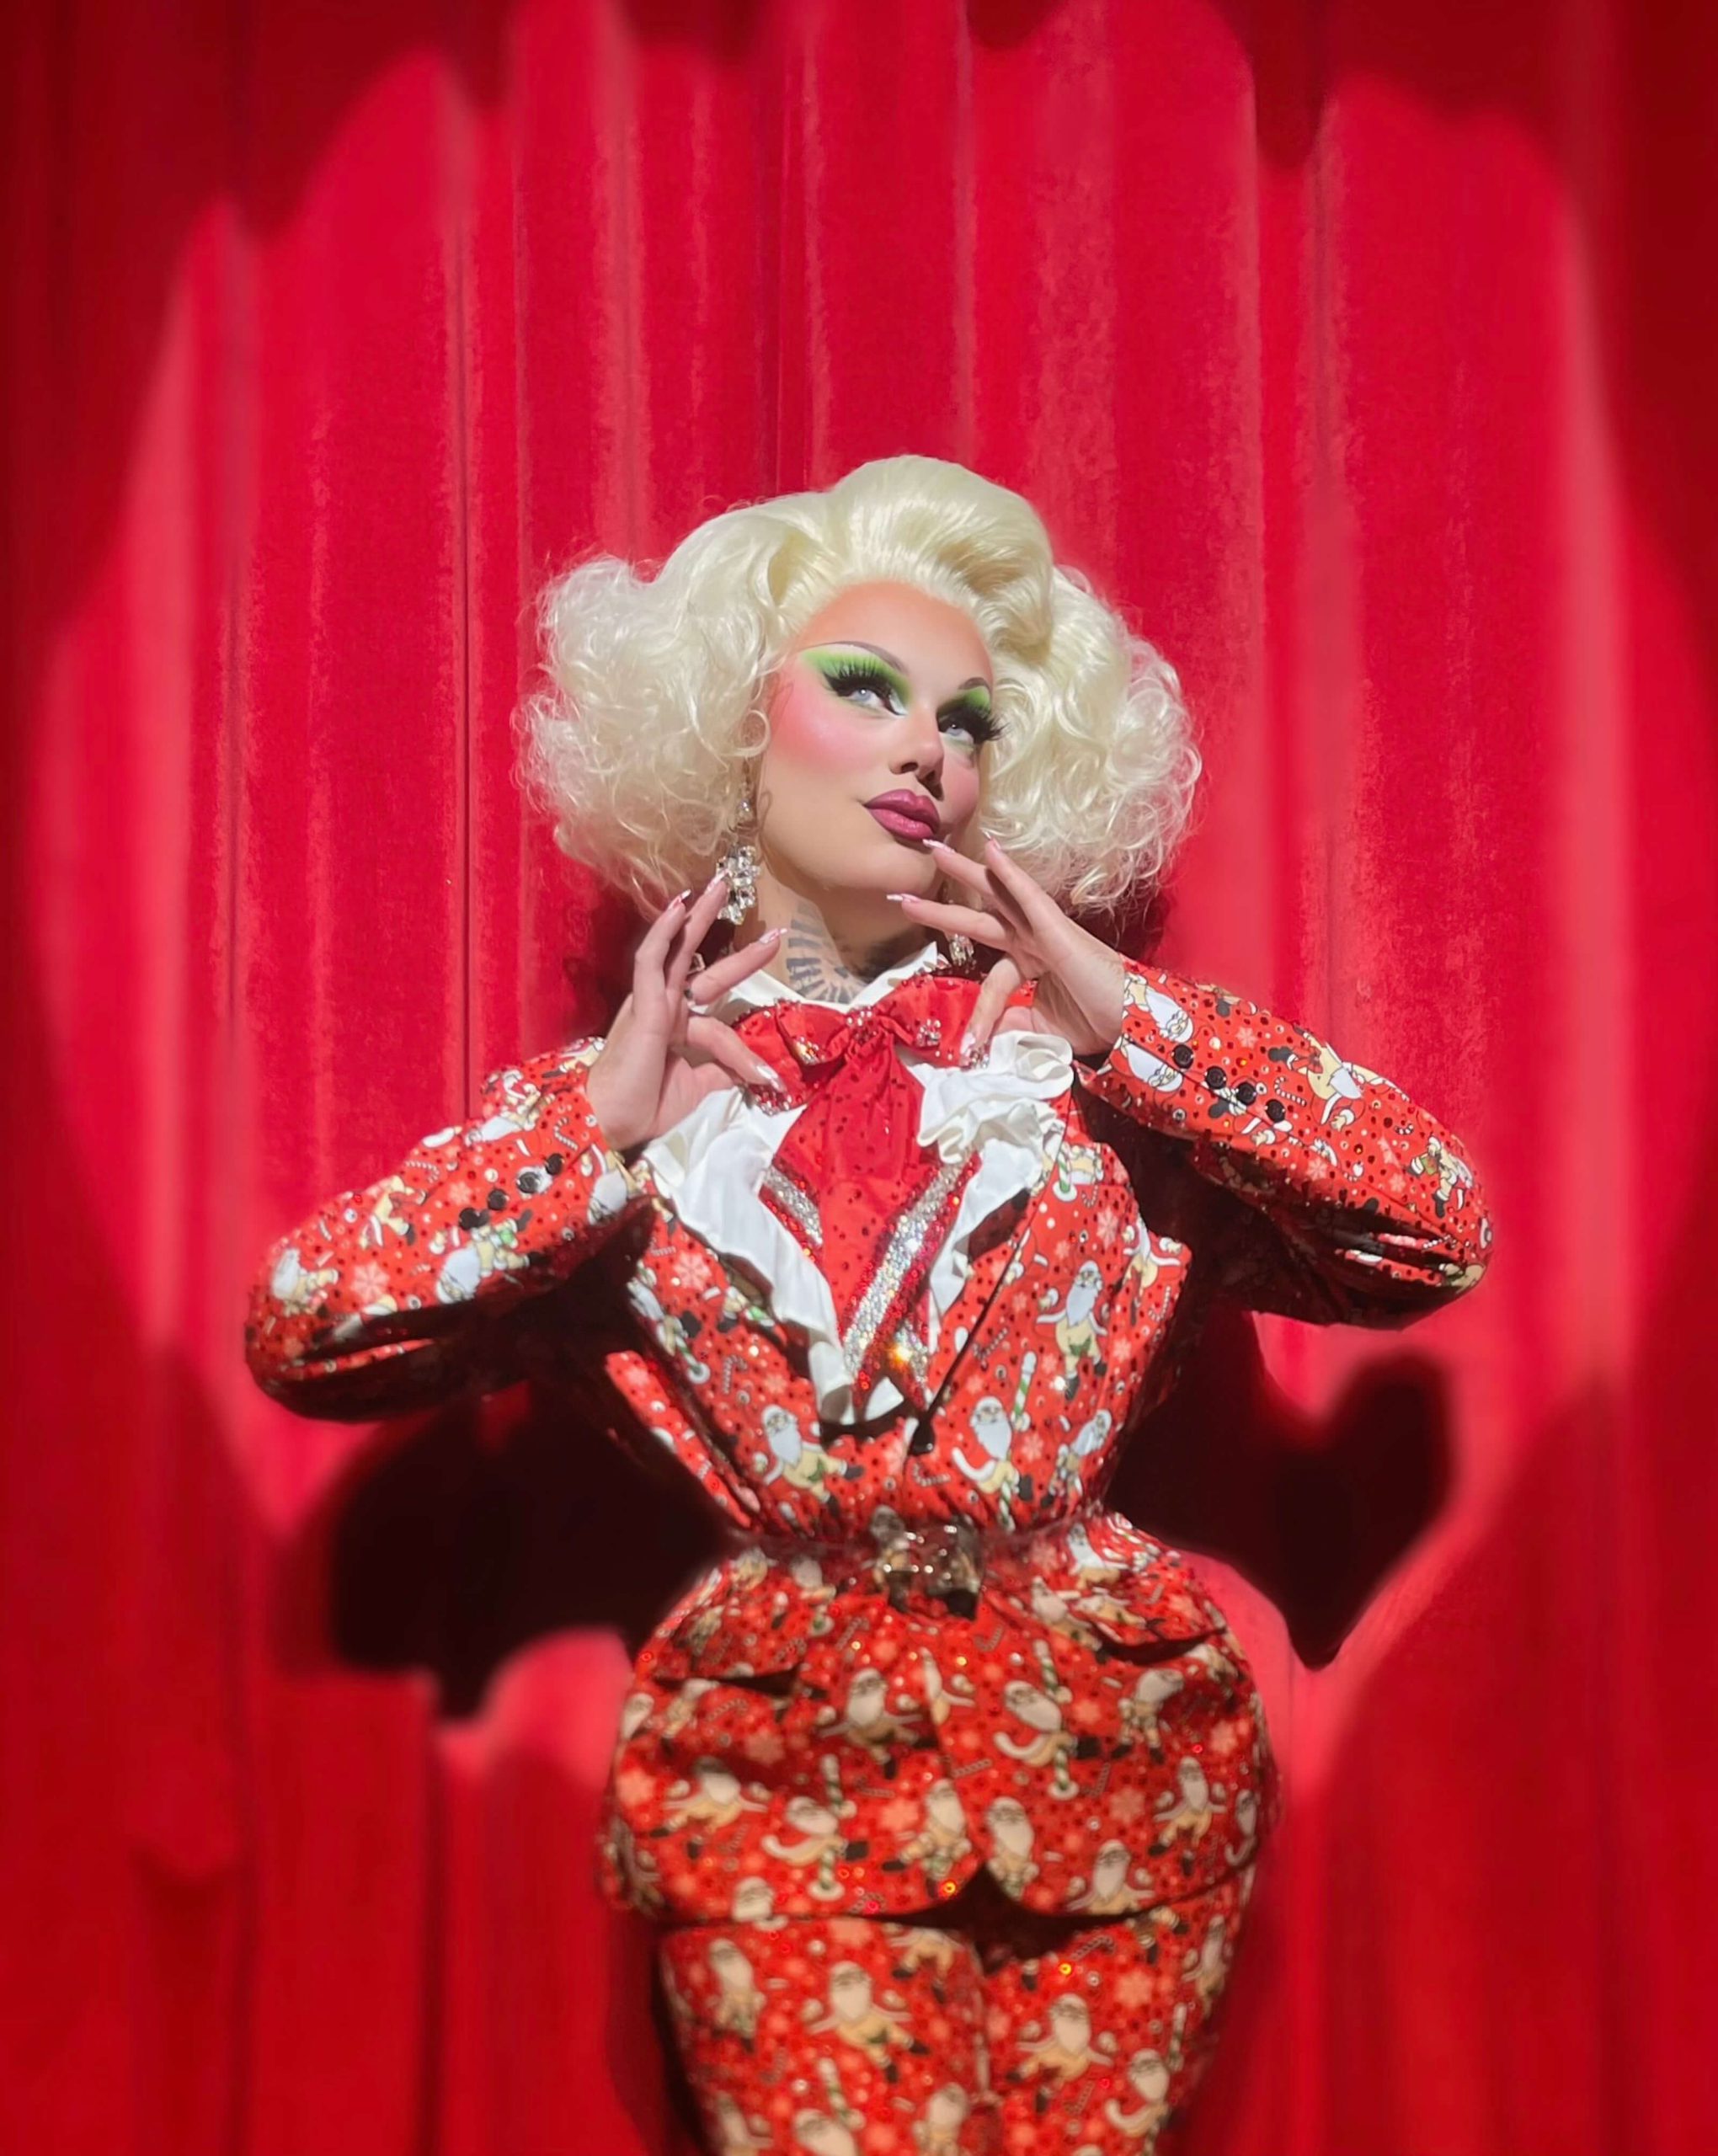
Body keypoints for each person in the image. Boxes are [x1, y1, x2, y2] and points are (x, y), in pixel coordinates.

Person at [245, 456, 1491, 2153]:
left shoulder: (1108, 1093)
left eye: (969, 720)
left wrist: (1126, 1012)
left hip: (1122, 1776)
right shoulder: (612, 1120)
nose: (928, 749)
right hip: (779, 1790)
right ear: (732, 729)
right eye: (866, 688)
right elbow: (311, 1328)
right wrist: (591, 1133)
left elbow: (1432, 1229)